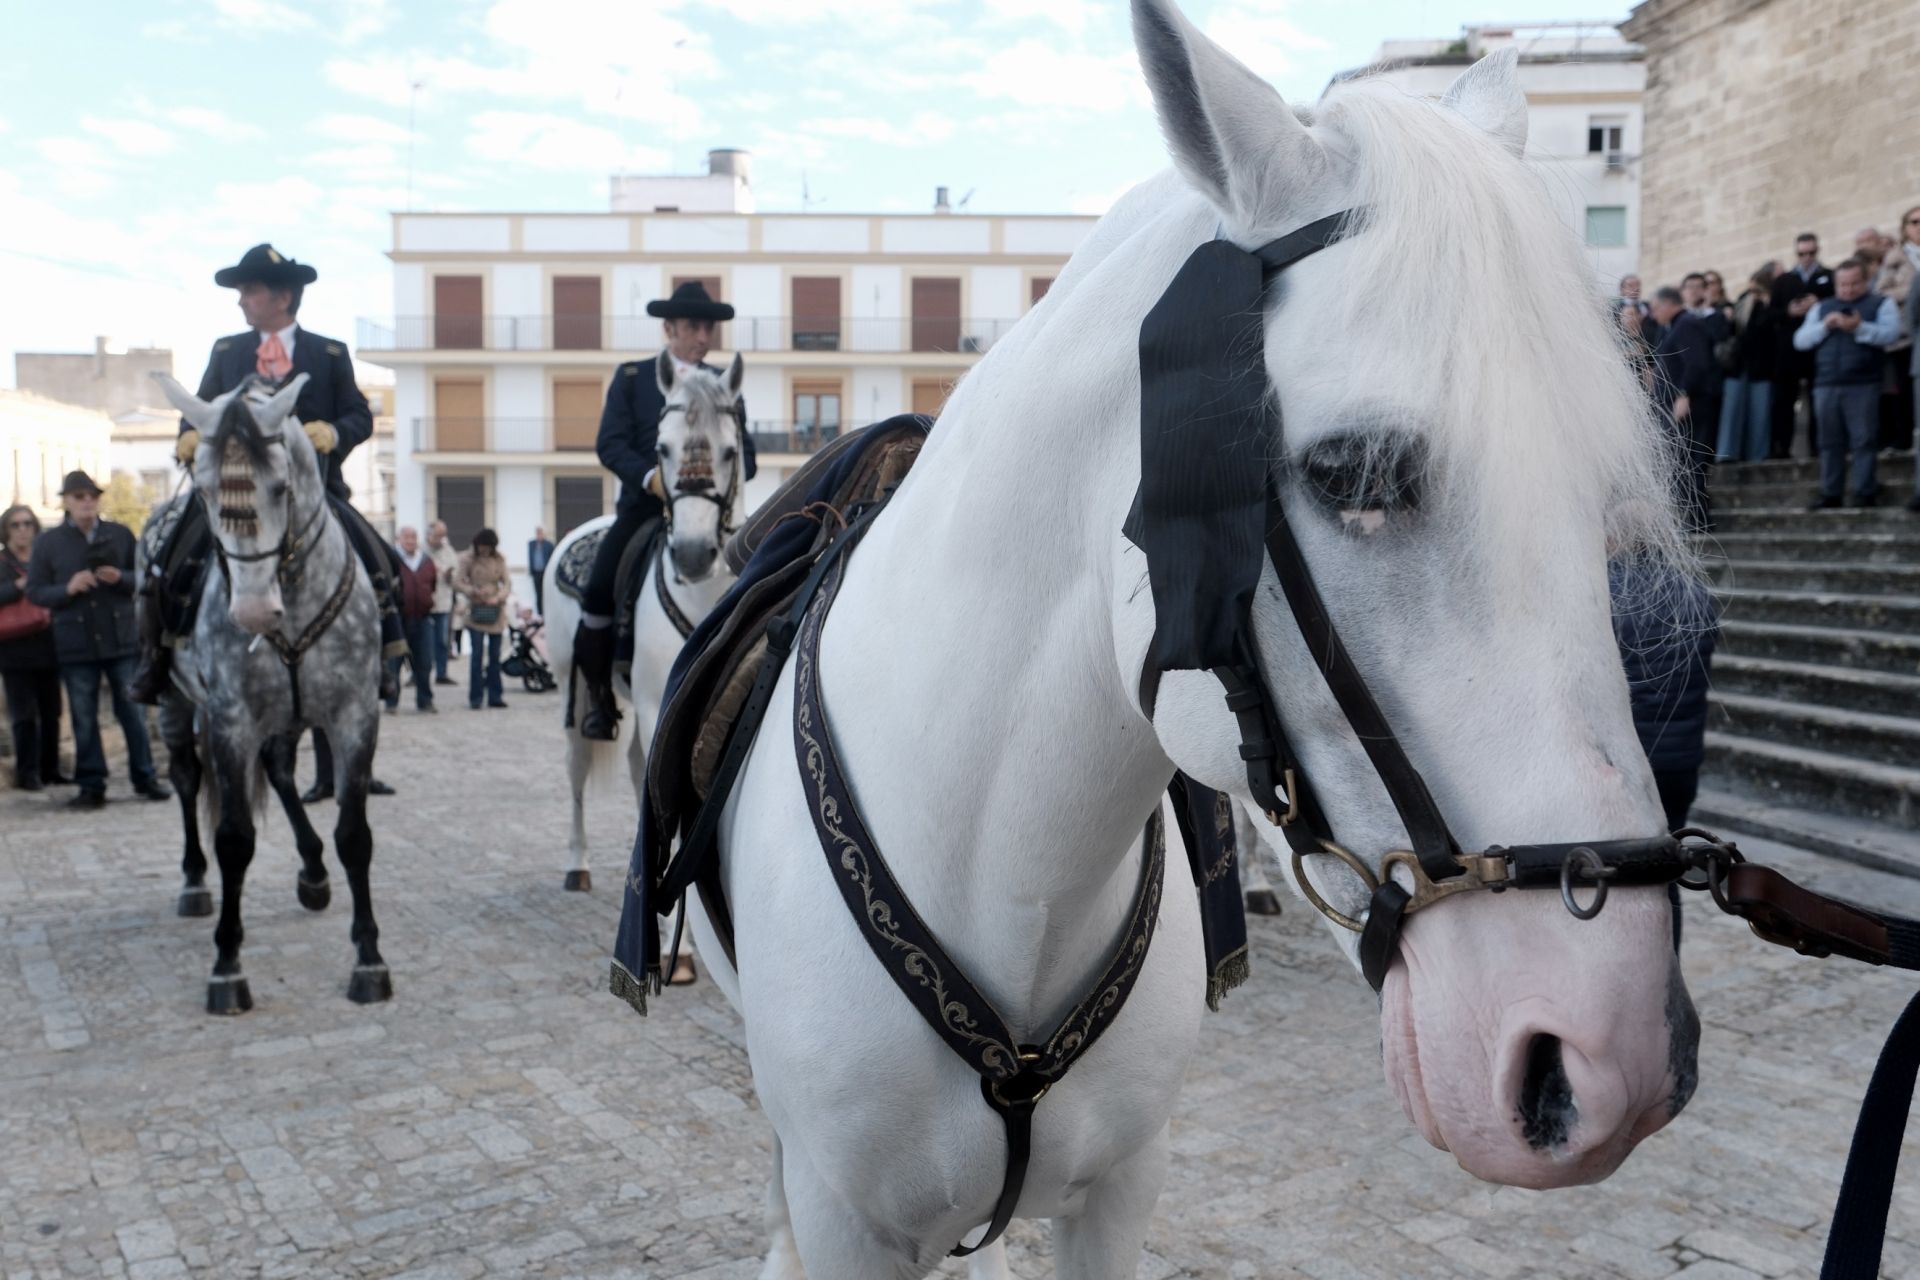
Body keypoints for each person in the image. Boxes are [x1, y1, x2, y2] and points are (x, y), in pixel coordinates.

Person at [131, 243, 406, 706]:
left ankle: (386, 655)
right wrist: (189, 436)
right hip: (234, 489)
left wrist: (334, 434)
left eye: (250, 291)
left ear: (282, 297)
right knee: (171, 556)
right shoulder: (226, 351)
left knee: (381, 557)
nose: (241, 300)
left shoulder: (329, 353)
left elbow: (360, 415)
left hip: (314, 492)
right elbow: (200, 408)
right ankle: (157, 660)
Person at [572, 281, 757, 740]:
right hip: (645, 509)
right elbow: (609, 443)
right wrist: (653, 478)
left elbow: (746, 458)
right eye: (694, 326)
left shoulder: (722, 387)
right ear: (669, 328)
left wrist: (721, 474)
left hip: (710, 512)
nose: (704, 336)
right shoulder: (633, 378)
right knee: (598, 590)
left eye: (709, 327)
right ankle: (600, 697)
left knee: (762, 576)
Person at [25, 473, 169, 808]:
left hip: (121, 640)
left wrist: (121, 578)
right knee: (83, 716)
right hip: (76, 644)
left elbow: (146, 578)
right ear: (67, 501)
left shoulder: (118, 534)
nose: (86, 501)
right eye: (79, 496)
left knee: (132, 713)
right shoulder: (49, 543)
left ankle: (145, 777)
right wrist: (67, 588)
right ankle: (91, 784)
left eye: (91, 495)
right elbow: (35, 590)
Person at [1609, 557, 1719, 832]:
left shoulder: (1607, 594)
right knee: (1671, 845)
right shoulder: (1696, 592)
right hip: (1681, 758)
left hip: (1628, 758)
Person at [1795, 258, 1901, 508]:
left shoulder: (1881, 303)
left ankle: (1864, 491)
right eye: (1843, 284)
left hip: (1863, 382)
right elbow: (1800, 340)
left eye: (1854, 284)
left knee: (1863, 439)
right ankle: (1831, 492)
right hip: (1826, 382)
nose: (1848, 289)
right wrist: (1825, 326)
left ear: (1865, 281)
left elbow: (1892, 333)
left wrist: (1859, 327)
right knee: (1829, 441)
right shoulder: (1821, 308)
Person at [1, 505, 67, 791]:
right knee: (23, 715)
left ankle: (51, 769)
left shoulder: (44, 559)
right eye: (16, 525)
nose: (23, 529)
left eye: (27, 523)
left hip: (47, 643)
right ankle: (27, 772)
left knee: (51, 711)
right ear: (6, 530)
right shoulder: (2, 563)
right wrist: (19, 586)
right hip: (13, 649)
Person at [1649, 286, 1716, 530]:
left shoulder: (1687, 324)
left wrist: (1683, 393)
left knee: (1690, 462)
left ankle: (1699, 521)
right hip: (1679, 405)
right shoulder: (1676, 326)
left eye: (1656, 309)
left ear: (1669, 304)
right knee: (1682, 463)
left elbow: (1697, 363)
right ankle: (1694, 520)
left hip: (1691, 405)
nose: (1654, 315)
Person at [1767, 232, 1835, 459]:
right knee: (1784, 400)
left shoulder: (1829, 276)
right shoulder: (1783, 280)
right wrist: (1789, 311)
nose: (1806, 257)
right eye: (1802, 253)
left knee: (1819, 401)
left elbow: (1839, 304)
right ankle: (1781, 448)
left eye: (1811, 252)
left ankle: (1818, 447)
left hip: (1819, 349)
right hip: (1788, 352)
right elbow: (1770, 315)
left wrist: (1820, 304)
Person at [1716, 265, 1779, 463]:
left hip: (1761, 369)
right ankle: (1728, 454)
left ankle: (1756, 455)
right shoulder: (1745, 304)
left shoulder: (1772, 307)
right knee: (1733, 413)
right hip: (1740, 367)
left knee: (1759, 415)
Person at [1875, 206, 1919, 454]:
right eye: (1915, 222)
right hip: (1906, 335)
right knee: (1905, 390)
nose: (1919, 226)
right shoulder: (1896, 258)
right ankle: (1905, 440)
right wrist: (1912, 292)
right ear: (1905, 228)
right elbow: (1881, 293)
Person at [454, 528, 512, 710]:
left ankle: (495, 695)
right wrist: (472, 591)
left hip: (495, 612)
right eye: (482, 547)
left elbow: (507, 583)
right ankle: (476, 697)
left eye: (487, 548)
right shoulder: (467, 559)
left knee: (494, 657)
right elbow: (457, 581)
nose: (484, 551)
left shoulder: (499, 559)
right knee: (476, 656)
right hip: (476, 612)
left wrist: (499, 597)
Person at [387, 526, 438, 714]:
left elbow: (432, 585)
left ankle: (425, 700)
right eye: (407, 537)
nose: (410, 541)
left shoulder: (425, 561)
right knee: (394, 662)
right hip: (398, 620)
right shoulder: (391, 558)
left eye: (414, 537)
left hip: (422, 618)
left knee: (424, 662)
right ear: (399, 538)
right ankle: (392, 702)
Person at [1681, 271, 1730, 444]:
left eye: (1698, 287)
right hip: (1681, 388)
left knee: (1704, 442)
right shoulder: (1679, 317)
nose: (1694, 291)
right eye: (1690, 287)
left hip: (1708, 388)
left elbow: (1718, 339)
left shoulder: (1715, 316)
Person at [425, 520, 460, 682]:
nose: (441, 539)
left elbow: (456, 575)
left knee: (442, 641)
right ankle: (418, 674)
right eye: (438, 535)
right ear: (429, 535)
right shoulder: (421, 551)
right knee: (422, 641)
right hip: (424, 604)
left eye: (443, 535)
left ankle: (441, 673)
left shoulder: (448, 551)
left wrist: (449, 575)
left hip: (443, 603)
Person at [527, 525, 554, 618]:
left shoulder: (549, 545)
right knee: (538, 594)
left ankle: (547, 612)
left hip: (545, 572)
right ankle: (540, 613)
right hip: (536, 573)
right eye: (537, 532)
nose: (538, 534)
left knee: (545, 593)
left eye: (540, 532)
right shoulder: (531, 544)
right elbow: (530, 557)